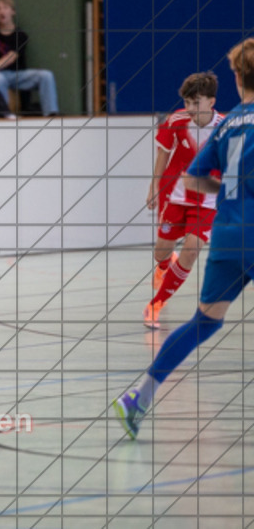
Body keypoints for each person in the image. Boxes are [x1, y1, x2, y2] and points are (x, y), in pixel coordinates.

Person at [114, 39, 254, 440]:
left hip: (227, 235)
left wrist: (229, 190)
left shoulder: (228, 123)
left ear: (237, 78)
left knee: (203, 322)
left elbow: (194, 178)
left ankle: (137, 399)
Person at [141, 72, 223, 329]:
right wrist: (154, 185)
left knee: (192, 250)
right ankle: (165, 264)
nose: (189, 108)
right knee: (161, 251)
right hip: (175, 196)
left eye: (195, 103)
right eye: (187, 102)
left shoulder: (225, 126)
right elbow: (163, 154)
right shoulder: (176, 120)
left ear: (211, 101)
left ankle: (156, 304)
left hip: (207, 201)